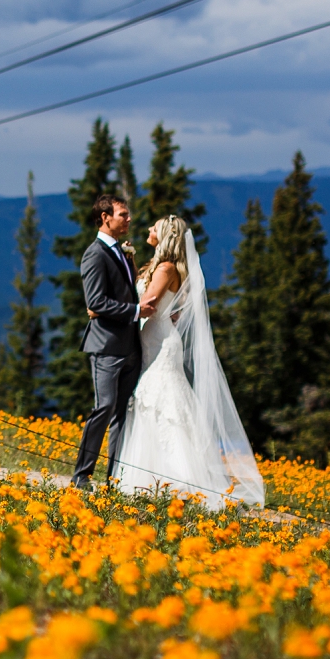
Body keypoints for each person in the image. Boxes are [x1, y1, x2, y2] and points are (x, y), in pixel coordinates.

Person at [111, 215, 264, 509]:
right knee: (158, 401)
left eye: (153, 227)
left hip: (160, 344)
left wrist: (114, 312)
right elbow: (173, 310)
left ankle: (177, 479)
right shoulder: (171, 268)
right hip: (157, 339)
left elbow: (149, 303)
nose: (148, 230)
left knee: (162, 401)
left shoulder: (167, 268)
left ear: (165, 235)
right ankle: (155, 477)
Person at [69, 194, 150, 490]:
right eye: (123, 214)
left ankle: (115, 478)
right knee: (103, 408)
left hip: (131, 345)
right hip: (105, 346)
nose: (128, 219)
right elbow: (95, 301)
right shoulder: (94, 254)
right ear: (105, 217)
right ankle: (81, 476)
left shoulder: (123, 252)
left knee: (122, 414)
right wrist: (136, 311)